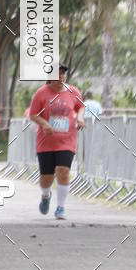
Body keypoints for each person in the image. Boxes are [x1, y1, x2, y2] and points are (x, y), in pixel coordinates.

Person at [29, 63, 85, 220]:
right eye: (57, 74)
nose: (60, 77)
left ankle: (61, 207)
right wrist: (45, 124)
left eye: (62, 74)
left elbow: (81, 106)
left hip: (67, 140)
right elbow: (33, 114)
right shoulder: (41, 93)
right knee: (46, 178)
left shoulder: (72, 91)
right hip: (46, 142)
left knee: (63, 170)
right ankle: (46, 195)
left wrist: (80, 117)